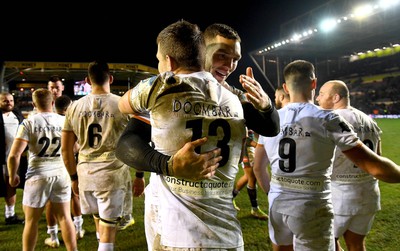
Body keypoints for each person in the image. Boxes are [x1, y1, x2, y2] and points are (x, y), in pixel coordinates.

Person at [117, 19, 279, 250]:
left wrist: (266, 105)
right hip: (173, 209)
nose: (230, 65)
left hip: (191, 222)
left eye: (235, 59)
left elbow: (271, 128)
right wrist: (166, 165)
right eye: (222, 55)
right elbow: (128, 142)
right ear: (201, 49)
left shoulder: (228, 96)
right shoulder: (173, 92)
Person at [255, 59, 400, 251]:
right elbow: (374, 167)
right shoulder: (328, 118)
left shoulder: (272, 119)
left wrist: (271, 193)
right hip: (312, 205)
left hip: (277, 202)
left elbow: (258, 168)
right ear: (314, 83)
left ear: (286, 87)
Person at [61, 60, 141, 251]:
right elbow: (138, 143)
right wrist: (139, 176)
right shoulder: (122, 104)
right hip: (111, 175)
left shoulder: (74, 107)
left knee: (100, 221)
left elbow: (66, 149)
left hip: (86, 175)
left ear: (88, 81)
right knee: (108, 233)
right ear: (111, 78)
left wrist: (73, 178)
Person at [7, 88, 77, 251]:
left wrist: (12, 176)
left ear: (34, 104)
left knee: (31, 221)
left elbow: (14, 155)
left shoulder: (29, 122)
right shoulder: (63, 121)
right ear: (52, 103)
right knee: (65, 218)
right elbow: (75, 148)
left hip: (38, 175)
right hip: (61, 174)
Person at [316, 80, 382, 251]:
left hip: (340, 195)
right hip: (368, 193)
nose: (317, 98)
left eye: (322, 94)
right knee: (357, 245)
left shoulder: (331, 120)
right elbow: (378, 157)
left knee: (324, 244)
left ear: (336, 97)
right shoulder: (369, 120)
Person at [53, 95, 86, 245]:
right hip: (68, 163)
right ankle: (78, 228)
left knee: (52, 201)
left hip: (51, 166)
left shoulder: (48, 120)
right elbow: (75, 147)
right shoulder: (70, 121)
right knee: (75, 196)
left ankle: (53, 234)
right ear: (67, 109)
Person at [232, 127, 269, 220]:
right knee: (252, 178)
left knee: (248, 177)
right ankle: (255, 209)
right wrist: (258, 145)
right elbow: (244, 137)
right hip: (246, 149)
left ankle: (230, 198)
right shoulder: (245, 115)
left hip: (249, 149)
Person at [0, 92, 26, 225]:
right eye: (5, 101)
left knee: (11, 185)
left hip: (14, 158)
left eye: (11, 100)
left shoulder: (17, 115)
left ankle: (10, 215)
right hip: (2, 158)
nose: (9, 103)